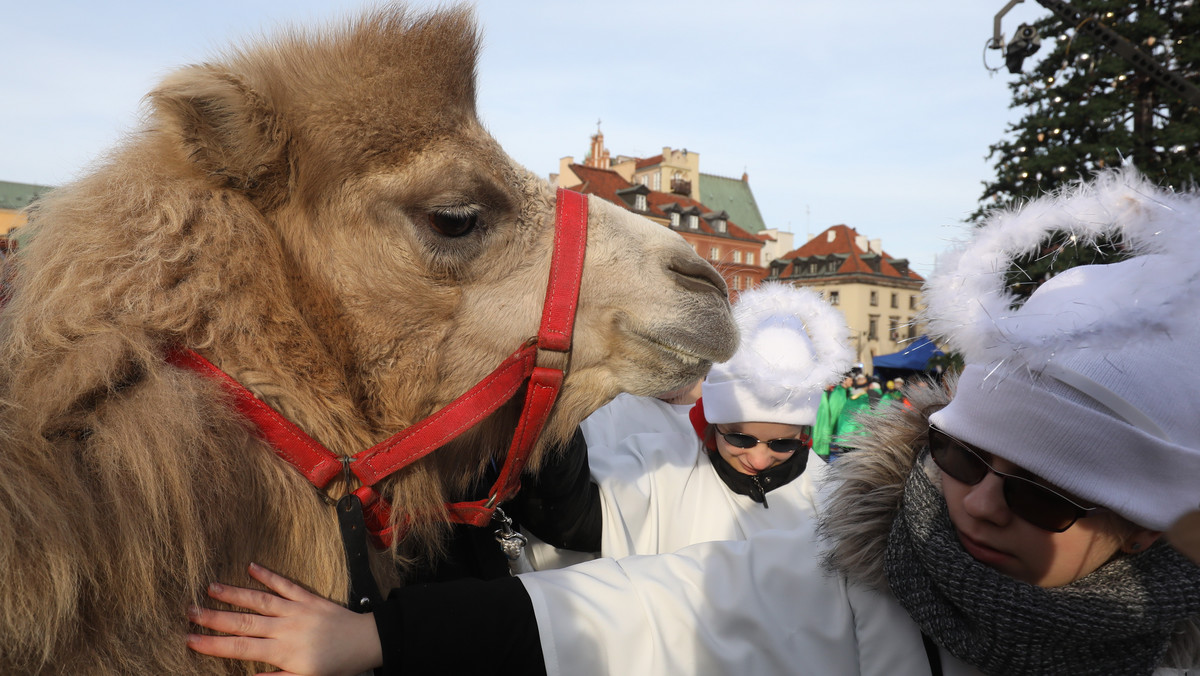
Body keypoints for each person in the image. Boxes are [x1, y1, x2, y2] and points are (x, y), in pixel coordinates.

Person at [186, 168, 1200, 675]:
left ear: (1142, 521)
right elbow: (638, 609)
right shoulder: (857, 581)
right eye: (958, 454)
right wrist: (378, 641)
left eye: (1033, 492)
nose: (976, 501)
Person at [517, 282, 852, 571]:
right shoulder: (664, 462)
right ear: (713, 423)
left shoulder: (829, 494)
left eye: (782, 444)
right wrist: (555, 397)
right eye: (740, 438)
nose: (760, 459)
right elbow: (570, 518)